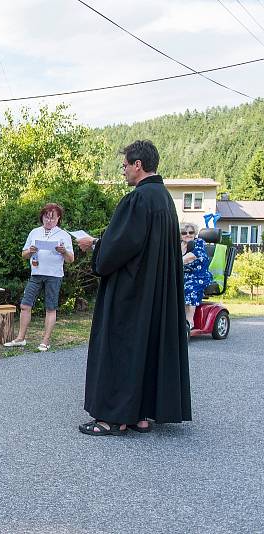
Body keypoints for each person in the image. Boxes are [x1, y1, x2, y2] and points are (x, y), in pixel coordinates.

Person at [76, 140, 190, 436]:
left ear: (138, 165)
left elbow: (120, 247)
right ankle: (140, 414)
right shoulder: (164, 199)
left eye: (125, 165)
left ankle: (113, 418)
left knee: (122, 345)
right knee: (145, 345)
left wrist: (96, 246)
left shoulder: (138, 199)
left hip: (132, 290)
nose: (123, 171)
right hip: (154, 291)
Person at [4, 203, 74, 352]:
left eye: (52, 218)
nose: (49, 221)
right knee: (25, 305)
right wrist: (30, 251)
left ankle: (45, 341)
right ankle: (20, 338)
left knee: (50, 307)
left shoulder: (63, 235)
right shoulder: (34, 232)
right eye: (46, 217)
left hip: (54, 275)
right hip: (36, 273)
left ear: (58, 218)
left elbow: (71, 259)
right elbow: (24, 254)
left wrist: (63, 252)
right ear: (42, 217)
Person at [181, 222, 213, 329]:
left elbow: (191, 257)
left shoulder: (199, 242)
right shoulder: (178, 245)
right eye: (184, 232)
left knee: (189, 288)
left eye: (191, 232)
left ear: (195, 233)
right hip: (184, 276)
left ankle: (189, 321)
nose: (188, 234)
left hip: (200, 276)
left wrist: (176, 262)